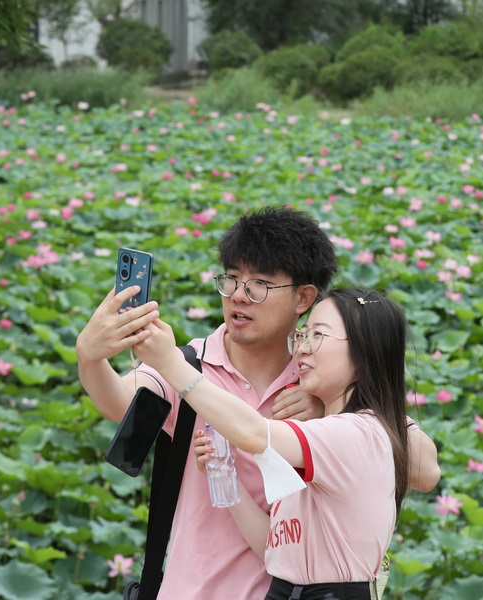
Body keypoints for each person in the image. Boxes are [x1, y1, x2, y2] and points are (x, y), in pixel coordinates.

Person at [76, 206, 440, 599]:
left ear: (304, 297)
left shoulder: (321, 377)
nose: (238, 296)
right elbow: (119, 403)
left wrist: (328, 413)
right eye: (232, 278)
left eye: (260, 284)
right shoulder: (191, 363)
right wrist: (90, 358)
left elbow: (423, 470)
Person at [133, 288, 412, 599]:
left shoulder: (359, 434)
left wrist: (170, 364)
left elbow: (253, 433)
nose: (302, 348)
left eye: (318, 335)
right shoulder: (321, 435)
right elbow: (276, 551)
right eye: (302, 335)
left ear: (364, 352)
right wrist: (223, 472)